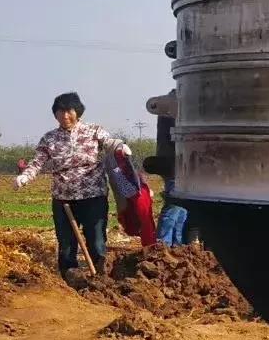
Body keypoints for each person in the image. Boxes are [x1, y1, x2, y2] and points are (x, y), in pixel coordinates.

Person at [12, 92, 131, 279]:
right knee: (66, 244)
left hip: (93, 196)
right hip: (63, 199)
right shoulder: (49, 138)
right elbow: (37, 162)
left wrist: (119, 146)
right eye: (59, 112)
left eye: (69, 111)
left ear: (78, 112)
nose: (64, 116)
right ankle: (70, 278)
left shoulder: (93, 130)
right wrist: (25, 176)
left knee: (97, 240)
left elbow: (108, 143)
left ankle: (101, 277)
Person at [143, 155, 188, 246]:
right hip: (179, 171)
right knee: (177, 209)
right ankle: (169, 246)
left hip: (179, 171)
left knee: (177, 210)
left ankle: (169, 247)